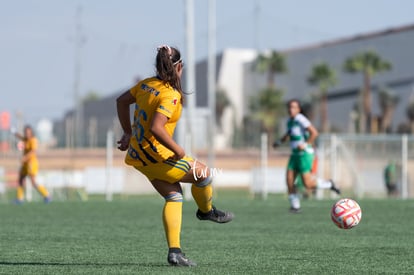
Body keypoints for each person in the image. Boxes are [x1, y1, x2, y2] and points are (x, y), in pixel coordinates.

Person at [116, 45, 234, 267]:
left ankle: (175, 253)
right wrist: (179, 151)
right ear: (179, 67)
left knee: (174, 197)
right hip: (159, 157)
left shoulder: (146, 85)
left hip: (139, 157)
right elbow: (156, 127)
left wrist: (127, 132)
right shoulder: (170, 94)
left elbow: (120, 101)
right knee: (205, 175)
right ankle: (207, 211)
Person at [273, 99, 340, 213]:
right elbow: (289, 134)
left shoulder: (301, 119)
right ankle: (295, 206)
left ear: (299, 109)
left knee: (307, 184)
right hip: (294, 154)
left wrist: (305, 144)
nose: (291, 109)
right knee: (289, 180)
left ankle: (329, 184)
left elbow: (314, 133)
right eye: (289, 107)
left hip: (304, 154)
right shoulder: (290, 120)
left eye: (294, 107)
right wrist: (279, 142)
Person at [13, 125, 50, 204]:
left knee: (33, 182)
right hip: (25, 164)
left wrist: (24, 157)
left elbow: (33, 151)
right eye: (26, 132)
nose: (27, 134)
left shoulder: (33, 140)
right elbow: (20, 137)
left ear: (31, 132)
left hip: (31, 163)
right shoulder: (25, 139)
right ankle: (19, 199)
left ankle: (46, 195)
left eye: (28, 132)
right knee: (21, 179)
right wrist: (14, 132)